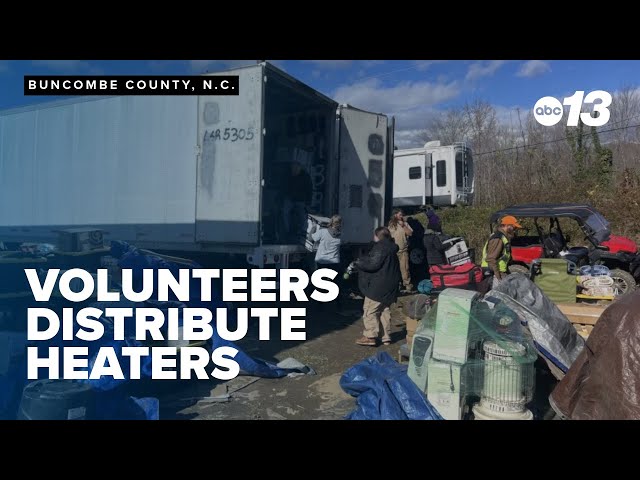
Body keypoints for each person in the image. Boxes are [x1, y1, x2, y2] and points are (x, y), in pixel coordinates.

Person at [353, 226, 401, 347]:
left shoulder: (380, 247)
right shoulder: (391, 247)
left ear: (377, 236)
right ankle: (386, 337)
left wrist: (359, 262)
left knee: (370, 310)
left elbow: (373, 265)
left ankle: (370, 336)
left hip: (379, 285)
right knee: (384, 310)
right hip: (391, 285)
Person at [481, 215, 522, 289]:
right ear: (507, 226)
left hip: (499, 271)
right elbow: (491, 259)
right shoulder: (498, 238)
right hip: (493, 272)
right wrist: (498, 277)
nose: (515, 230)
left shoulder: (503, 237)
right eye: (514, 227)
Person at [311, 215, 343, 308]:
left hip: (322, 261)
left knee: (321, 282)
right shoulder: (340, 235)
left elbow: (311, 238)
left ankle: (321, 303)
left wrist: (313, 227)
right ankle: (338, 302)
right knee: (336, 282)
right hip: (334, 261)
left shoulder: (322, 232)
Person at [283, 161, 313, 243]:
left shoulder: (305, 177)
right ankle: (287, 230)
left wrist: (308, 203)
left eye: (296, 168)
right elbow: (284, 188)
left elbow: (309, 190)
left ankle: (303, 231)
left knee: (302, 215)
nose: (294, 169)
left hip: (300, 200)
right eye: (293, 168)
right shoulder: (288, 175)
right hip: (290, 199)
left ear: (300, 167)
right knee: (285, 211)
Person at [388, 208, 415, 293]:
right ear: (395, 215)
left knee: (405, 269)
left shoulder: (405, 224)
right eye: (400, 215)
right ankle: (396, 286)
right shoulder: (390, 225)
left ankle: (407, 286)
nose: (401, 216)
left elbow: (410, 233)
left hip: (403, 251)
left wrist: (403, 225)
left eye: (401, 215)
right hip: (393, 251)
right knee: (394, 269)